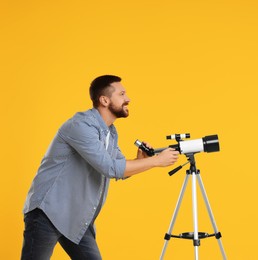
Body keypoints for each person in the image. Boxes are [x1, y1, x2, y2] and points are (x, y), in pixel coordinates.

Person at [21, 75, 179, 259]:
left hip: (77, 217)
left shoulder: (110, 132)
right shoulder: (81, 125)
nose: (128, 98)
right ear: (105, 100)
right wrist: (156, 161)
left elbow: (120, 169)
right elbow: (110, 168)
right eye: (122, 94)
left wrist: (140, 160)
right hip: (48, 212)